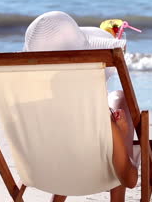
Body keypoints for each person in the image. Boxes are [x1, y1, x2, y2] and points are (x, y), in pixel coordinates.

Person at [23, 11, 137, 202]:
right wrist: (120, 129)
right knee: (120, 98)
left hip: (48, 164)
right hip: (96, 159)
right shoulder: (100, 119)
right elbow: (129, 178)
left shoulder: (39, 110)